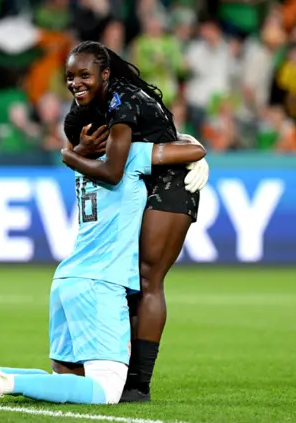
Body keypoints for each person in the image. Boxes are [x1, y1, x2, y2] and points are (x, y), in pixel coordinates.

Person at [0, 137, 206, 406]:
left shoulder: (82, 164)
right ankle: (0, 381)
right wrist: (185, 141)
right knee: (106, 391)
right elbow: (194, 151)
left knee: (66, 380)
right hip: (100, 283)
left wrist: (72, 150)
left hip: (68, 278)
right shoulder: (129, 156)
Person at [62, 41, 209, 402]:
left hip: (172, 181)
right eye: (70, 76)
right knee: (125, 278)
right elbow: (75, 130)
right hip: (142, 176)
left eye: (84, 75)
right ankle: (116, 371)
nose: (76, 83)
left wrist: (69, 156)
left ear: (106, 74)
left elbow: (111, 169)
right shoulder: (92, 102)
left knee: (147, 278)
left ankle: (138, 384)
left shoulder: (121, 99)